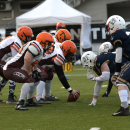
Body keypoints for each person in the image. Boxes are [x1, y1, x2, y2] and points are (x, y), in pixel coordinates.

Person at [3, 32, 54, 110]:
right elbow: (27, 59)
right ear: (43, 41)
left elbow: (34, 62)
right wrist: (29, 73)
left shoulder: (39, 47)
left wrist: (34, 70)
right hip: (11, 68)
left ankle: (29, 100)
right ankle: (20, 103)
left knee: (37, 77)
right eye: (49, 43)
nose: (50, 45)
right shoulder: (36, 45)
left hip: (17, 68)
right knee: (30, 79)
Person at [81, 51, 130, 116]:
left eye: (87, 64)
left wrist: (94, 78)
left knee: (114, 79)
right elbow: (99, 82)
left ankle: (128, 99)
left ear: (90, 60)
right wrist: (94, 100)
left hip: (126, 64)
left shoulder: (99, 60)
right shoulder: (96, 64)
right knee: (115, 79)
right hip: (123, 66)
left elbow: (106, 77)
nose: (88, 67)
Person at [36, 29, 72, 102]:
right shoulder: (59, 49)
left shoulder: (57, 44)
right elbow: (60, 74)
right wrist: (70, 90)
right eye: (66, 40)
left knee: (50, 75)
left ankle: (47, 95)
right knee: (43, 76)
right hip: (37, 61)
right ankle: (39, 97)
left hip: (44, 60)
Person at [0, 26, 33, 104]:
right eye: (28, 37)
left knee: (7, 75)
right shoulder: (16, 42)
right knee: (12, 70)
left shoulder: (14, 39)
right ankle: (10, 97)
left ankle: (10, 97)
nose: (29, 39)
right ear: (22, 35)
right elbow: (15, 62)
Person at [105, 15, 130, 116]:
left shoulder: (116, 34)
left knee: (120, 82)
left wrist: (117, 71)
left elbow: (118, 55)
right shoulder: (127, 32)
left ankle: (124, 108)